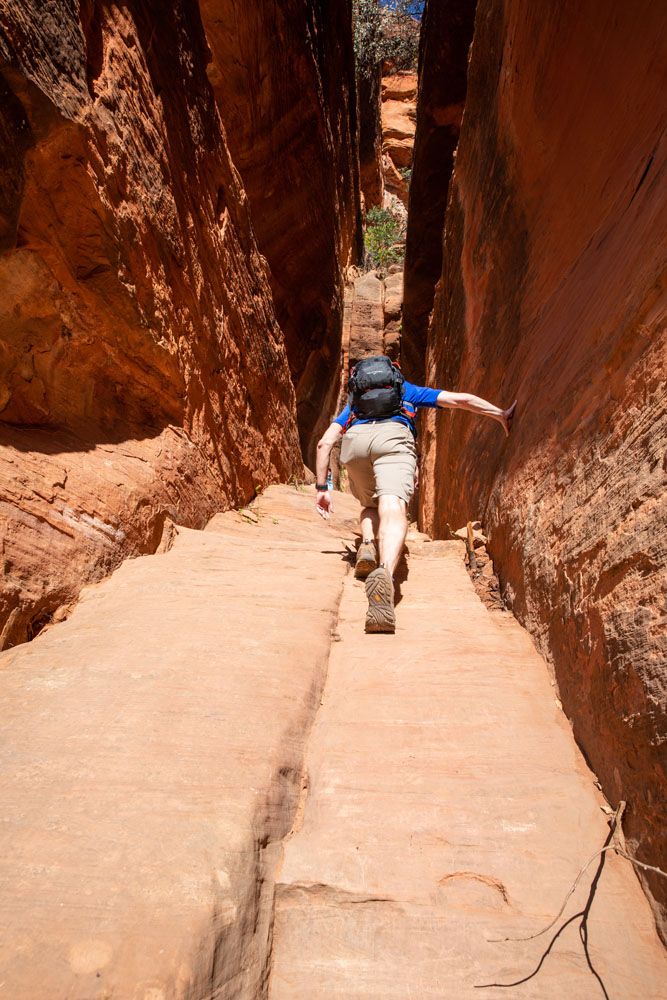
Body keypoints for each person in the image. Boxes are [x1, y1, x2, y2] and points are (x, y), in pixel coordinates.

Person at [314, 355, 516, 634]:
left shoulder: (353, 404)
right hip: (394, 440)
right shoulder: (407, 391)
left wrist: (322, 490)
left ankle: (369, 544)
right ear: (394, 376)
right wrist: (499, 414)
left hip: (355, 444)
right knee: (393, 505)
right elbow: (461, 400)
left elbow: (324, 443)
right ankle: (384, 571)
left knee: (369, 505)